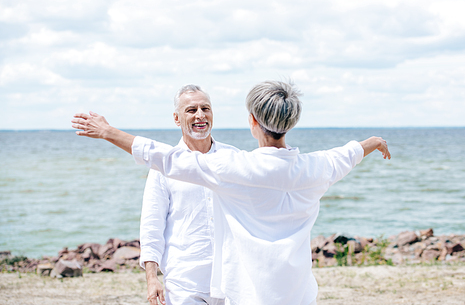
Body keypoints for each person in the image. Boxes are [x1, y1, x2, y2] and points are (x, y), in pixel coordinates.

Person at [72, 81, 390, 305]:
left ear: (252, 121)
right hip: (298, 292)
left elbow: (165, 157)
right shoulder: (315, 168)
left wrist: (109, 132)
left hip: (249, 293)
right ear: (291, 123)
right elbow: (345, 155)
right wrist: (372, 142)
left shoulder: (235, 167)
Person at [140, 85, 237, 305]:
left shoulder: (233, 158)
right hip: (185, 282)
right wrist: (152, 278)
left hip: (232, 280)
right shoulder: (163, 165)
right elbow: (151, 225)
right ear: (177, 118)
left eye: (206, 108)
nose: (200, 115)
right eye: (191, 110)